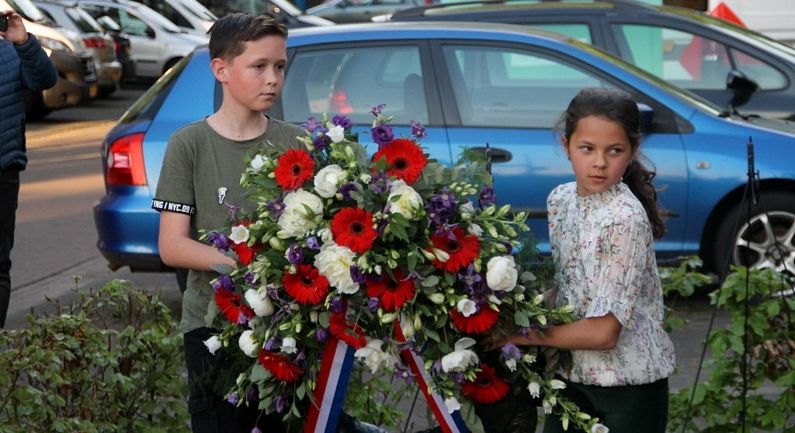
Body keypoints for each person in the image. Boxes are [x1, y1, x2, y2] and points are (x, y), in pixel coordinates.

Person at [152, 13, 304, 433]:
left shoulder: (295, 142)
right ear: (220, 69)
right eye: (259, 66)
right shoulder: (189, 144)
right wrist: (249, 268)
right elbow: (173, 246)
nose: (272, 78)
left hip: (287, 330)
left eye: (279, 67)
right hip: (211, 328)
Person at [490, 88, 675, 433]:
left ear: (632, 151)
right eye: (587, 148)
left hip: (628, 390)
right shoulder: (561, 200)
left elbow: (605, 332)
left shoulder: (624, 219)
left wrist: (520, 334)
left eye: (615, 151)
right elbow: (571, 289)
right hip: (571, 377)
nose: (600, 162)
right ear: (566, 145)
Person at [0, 11, 57, 328]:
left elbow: (45, 79)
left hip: (4, 171)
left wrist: (24, 42)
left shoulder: (11, 51)